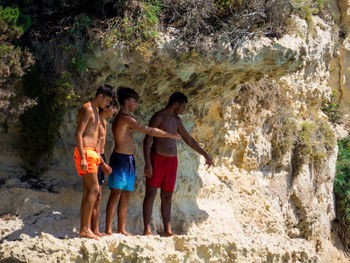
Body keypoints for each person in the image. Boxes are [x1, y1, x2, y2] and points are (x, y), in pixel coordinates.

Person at [105, 87, 181, 236]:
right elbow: (148, 130)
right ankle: (108, 229)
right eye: (135, 101)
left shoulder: (127, 117)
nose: (136, 104)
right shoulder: (124, 118)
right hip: (120, 158)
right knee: (116, 193)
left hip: (129, 159)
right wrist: (169, 135)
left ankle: (121, 229)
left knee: (126, 194)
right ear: (126, 101)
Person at [143, 92, 214, 237]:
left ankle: (167, 230)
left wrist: (205, 154)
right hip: (157, 158)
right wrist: (148, 163)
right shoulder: (158, 117)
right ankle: (147, 229)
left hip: (172, 161)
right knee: (151, 194)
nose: (183, 110)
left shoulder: (177, 120)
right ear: (176, 104)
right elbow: (147, 140)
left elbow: (189, 140)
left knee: (167, 196)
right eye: (183, 106)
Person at [73, 84, 114, 240]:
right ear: (100, 96)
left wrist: (102, 162)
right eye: (107, 101)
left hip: (93, 153)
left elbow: (95, 138)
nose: (108, 105)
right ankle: (85, 229)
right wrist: (83, 156)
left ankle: (85, 229)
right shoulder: (88, 109)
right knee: (95, 190)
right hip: (85, 153)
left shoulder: (96, 111)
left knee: (88, 192)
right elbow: (79, 134)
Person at [91, 99, 118, 237]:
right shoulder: (96, 122)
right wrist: (102, 163)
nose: (115, 111)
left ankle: (95, 229)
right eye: (113, 108)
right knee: (95, 194)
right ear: (106, 107)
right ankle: (92, 229)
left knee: (99, 196)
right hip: (96, 158)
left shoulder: (105, 122)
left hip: (101, 156)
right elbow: (93, 145)